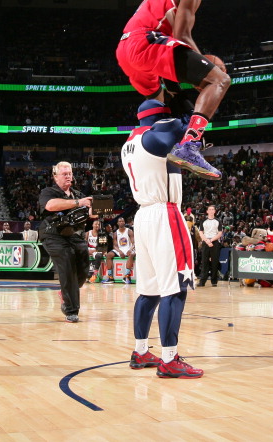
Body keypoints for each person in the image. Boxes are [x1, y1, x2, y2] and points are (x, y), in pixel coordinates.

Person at [116, 0, 231, 180]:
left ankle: (165, 147)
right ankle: (189, 146)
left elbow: (173, 45)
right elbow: (182, 36)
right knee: (220, 80)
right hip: (146, 43)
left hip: (126, 50)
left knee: (170, 105)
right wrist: (206, 70)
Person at [121, 99, 202, 378]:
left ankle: (141, 351)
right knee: (176, 287)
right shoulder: (158, 134)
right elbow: (191, 125)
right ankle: (169, 358)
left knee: (149, 290)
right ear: (162, 117)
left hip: (142, 216)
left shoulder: (129, 142)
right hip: (165, 212)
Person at [38, 161, 93, 323]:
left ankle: (65, 292)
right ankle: (71, 310)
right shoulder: (49, 192)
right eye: (64, 174)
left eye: (70, 173)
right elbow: (50, 205)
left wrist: (96, 211)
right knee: (67, 262)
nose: (68, 176)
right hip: (53, 234)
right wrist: (79, 203)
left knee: (83, 270)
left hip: (74, 235)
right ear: (55, 177)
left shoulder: (77, 194)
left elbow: (87, 214)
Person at [103, 217, 135, 284]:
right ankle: (110, 277)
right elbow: (115, 245)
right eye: (120, 221)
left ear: (124, 222)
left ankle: (126, 276)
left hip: (128, 248)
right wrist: (119, 251)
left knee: (132, 254)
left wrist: (130, 249)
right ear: (117, 223)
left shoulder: (129, 231)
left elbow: (134, 243)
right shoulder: (115, 233)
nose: (121, 222)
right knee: (108, 255)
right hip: (119, 249)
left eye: (122, 221)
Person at [198, 204, 223, 287]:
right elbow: (201, 232)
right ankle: (202, 281)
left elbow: (220, 233)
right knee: (204, 262)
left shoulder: (218, 221)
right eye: (210, 209)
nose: (211, 211)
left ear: (215, 211)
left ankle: (214, 281)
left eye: (213, 209)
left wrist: (211, 240)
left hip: (214, 242)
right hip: (205, 241)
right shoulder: (203, 221)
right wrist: (207, 240)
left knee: (214, 262)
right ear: (207, 211)